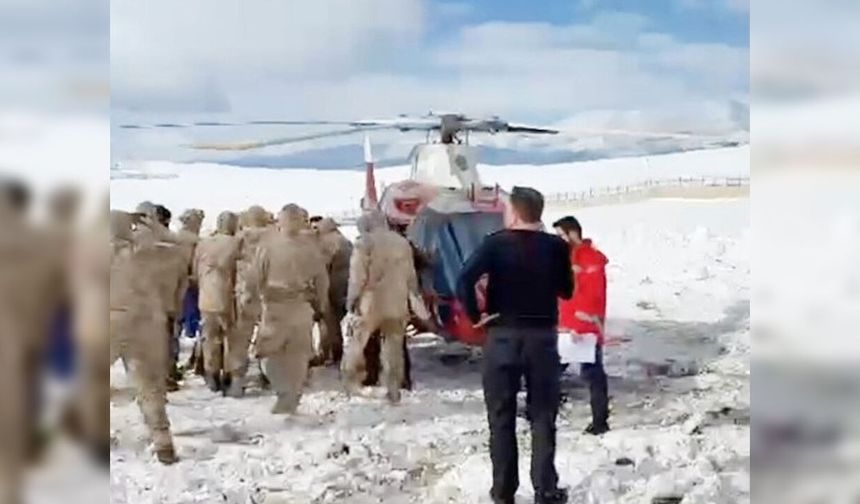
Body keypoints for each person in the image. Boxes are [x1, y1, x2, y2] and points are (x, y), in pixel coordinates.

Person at [457, 186, 573, 504]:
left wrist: (475, 314)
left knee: (501, 416)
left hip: (502, 336)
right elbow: (567, 291)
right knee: (542, 415)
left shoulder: (494, 244)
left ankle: (504, 492)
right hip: (542, 339)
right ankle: (545, 489)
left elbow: (465, 277)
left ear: (515, 212)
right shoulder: (556, 247)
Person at [110, 210, 178, 464]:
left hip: (109, 320)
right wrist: (160, 231)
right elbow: (185, 248)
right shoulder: (152, 253)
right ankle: (162, 439)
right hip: (146, 323)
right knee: (149, 386)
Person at [342, 210, 424, 403]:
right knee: (394, 347)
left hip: (370, 302)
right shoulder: (402, 243)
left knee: (357, 343)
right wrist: (414, 301)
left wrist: (351, 301)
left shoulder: (364, 243)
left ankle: (351, 383)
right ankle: (393, 388)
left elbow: (357, 277)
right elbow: (411, 277)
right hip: (397, 301)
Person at [254, 204, 328, 414]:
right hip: (302, 306)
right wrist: (320, 304)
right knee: (298, 355)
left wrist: (259, 300)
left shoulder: (268, 245)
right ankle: (293, 394)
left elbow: (257, 276)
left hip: (275, 306)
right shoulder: (310, 247)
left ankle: (283, 392)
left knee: (268, 352)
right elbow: (322, 279)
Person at [553, 216, 610, 435]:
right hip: (566, 327)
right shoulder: (567, 257)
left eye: (561, 235)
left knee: (593, 374)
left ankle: (600, 420)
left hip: (585, 328)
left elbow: (592, 295)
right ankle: (539, 410)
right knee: (551, 371)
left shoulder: (591, 260)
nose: (559, 240)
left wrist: (579, 324)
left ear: (573, 233)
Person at [193, 211, 241, 393]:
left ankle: (211, 373)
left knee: (210, 337)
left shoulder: (203, 244)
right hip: (228, 297)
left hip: (206, 296)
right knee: (230, 337)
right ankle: (229, 373)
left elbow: (195, 269)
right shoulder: (236, 244)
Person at [313, 217, 352, 365]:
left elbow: (322, 266)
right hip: (346, 286)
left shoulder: (327, 242)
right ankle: (335, 352)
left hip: (332, 286)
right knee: (335, 321)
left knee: (329, 322)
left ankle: (330, 354)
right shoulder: (345, 240)